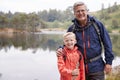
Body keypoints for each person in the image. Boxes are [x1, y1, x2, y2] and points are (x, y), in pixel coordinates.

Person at [56, 1, 114, 80]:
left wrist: (109, 62)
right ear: (74, 13)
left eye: (82, 10)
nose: (80, 13)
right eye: (78, 11)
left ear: (87, 11)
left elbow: (107, 44)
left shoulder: (97, 25)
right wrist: (60, 49)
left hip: (97, 68)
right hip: (79, 69)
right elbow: (67, 43)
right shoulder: (72, 28)